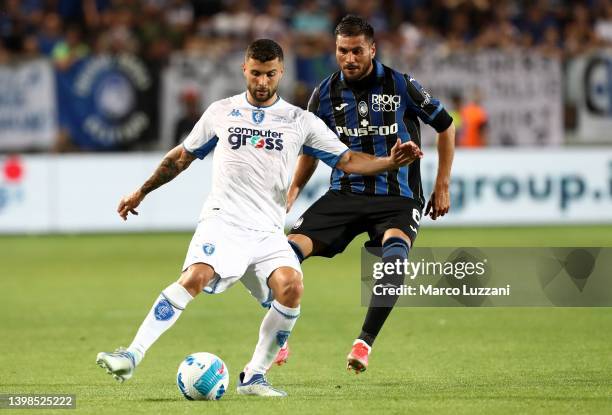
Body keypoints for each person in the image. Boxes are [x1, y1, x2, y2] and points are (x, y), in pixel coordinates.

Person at [96, 38, 423, 397]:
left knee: (291, 287)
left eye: (269, 74)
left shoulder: (301, 121)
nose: (262, 82)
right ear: (244, 70)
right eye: (255, 73)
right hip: (224, 221)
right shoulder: (221, 112)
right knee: (196, 276)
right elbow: (179, 158)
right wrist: (140, 192)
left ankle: (254, 376)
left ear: (281, 72)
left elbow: (347, 161)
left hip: (267, 230)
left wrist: (390, 162)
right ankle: (131, 355)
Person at [286, 15, 455, 373]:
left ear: (372, 49)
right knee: (283, 254)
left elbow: (446, 125)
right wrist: (293, 191)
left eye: (356, 51)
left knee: (395, 259)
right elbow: (310, 150)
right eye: (342, 51)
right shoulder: (324, 94)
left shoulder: (401, 84)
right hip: (345, 194)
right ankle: (278, 337)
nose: (349, 58)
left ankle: (364, 343)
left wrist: (442, 183)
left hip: (398, 197)